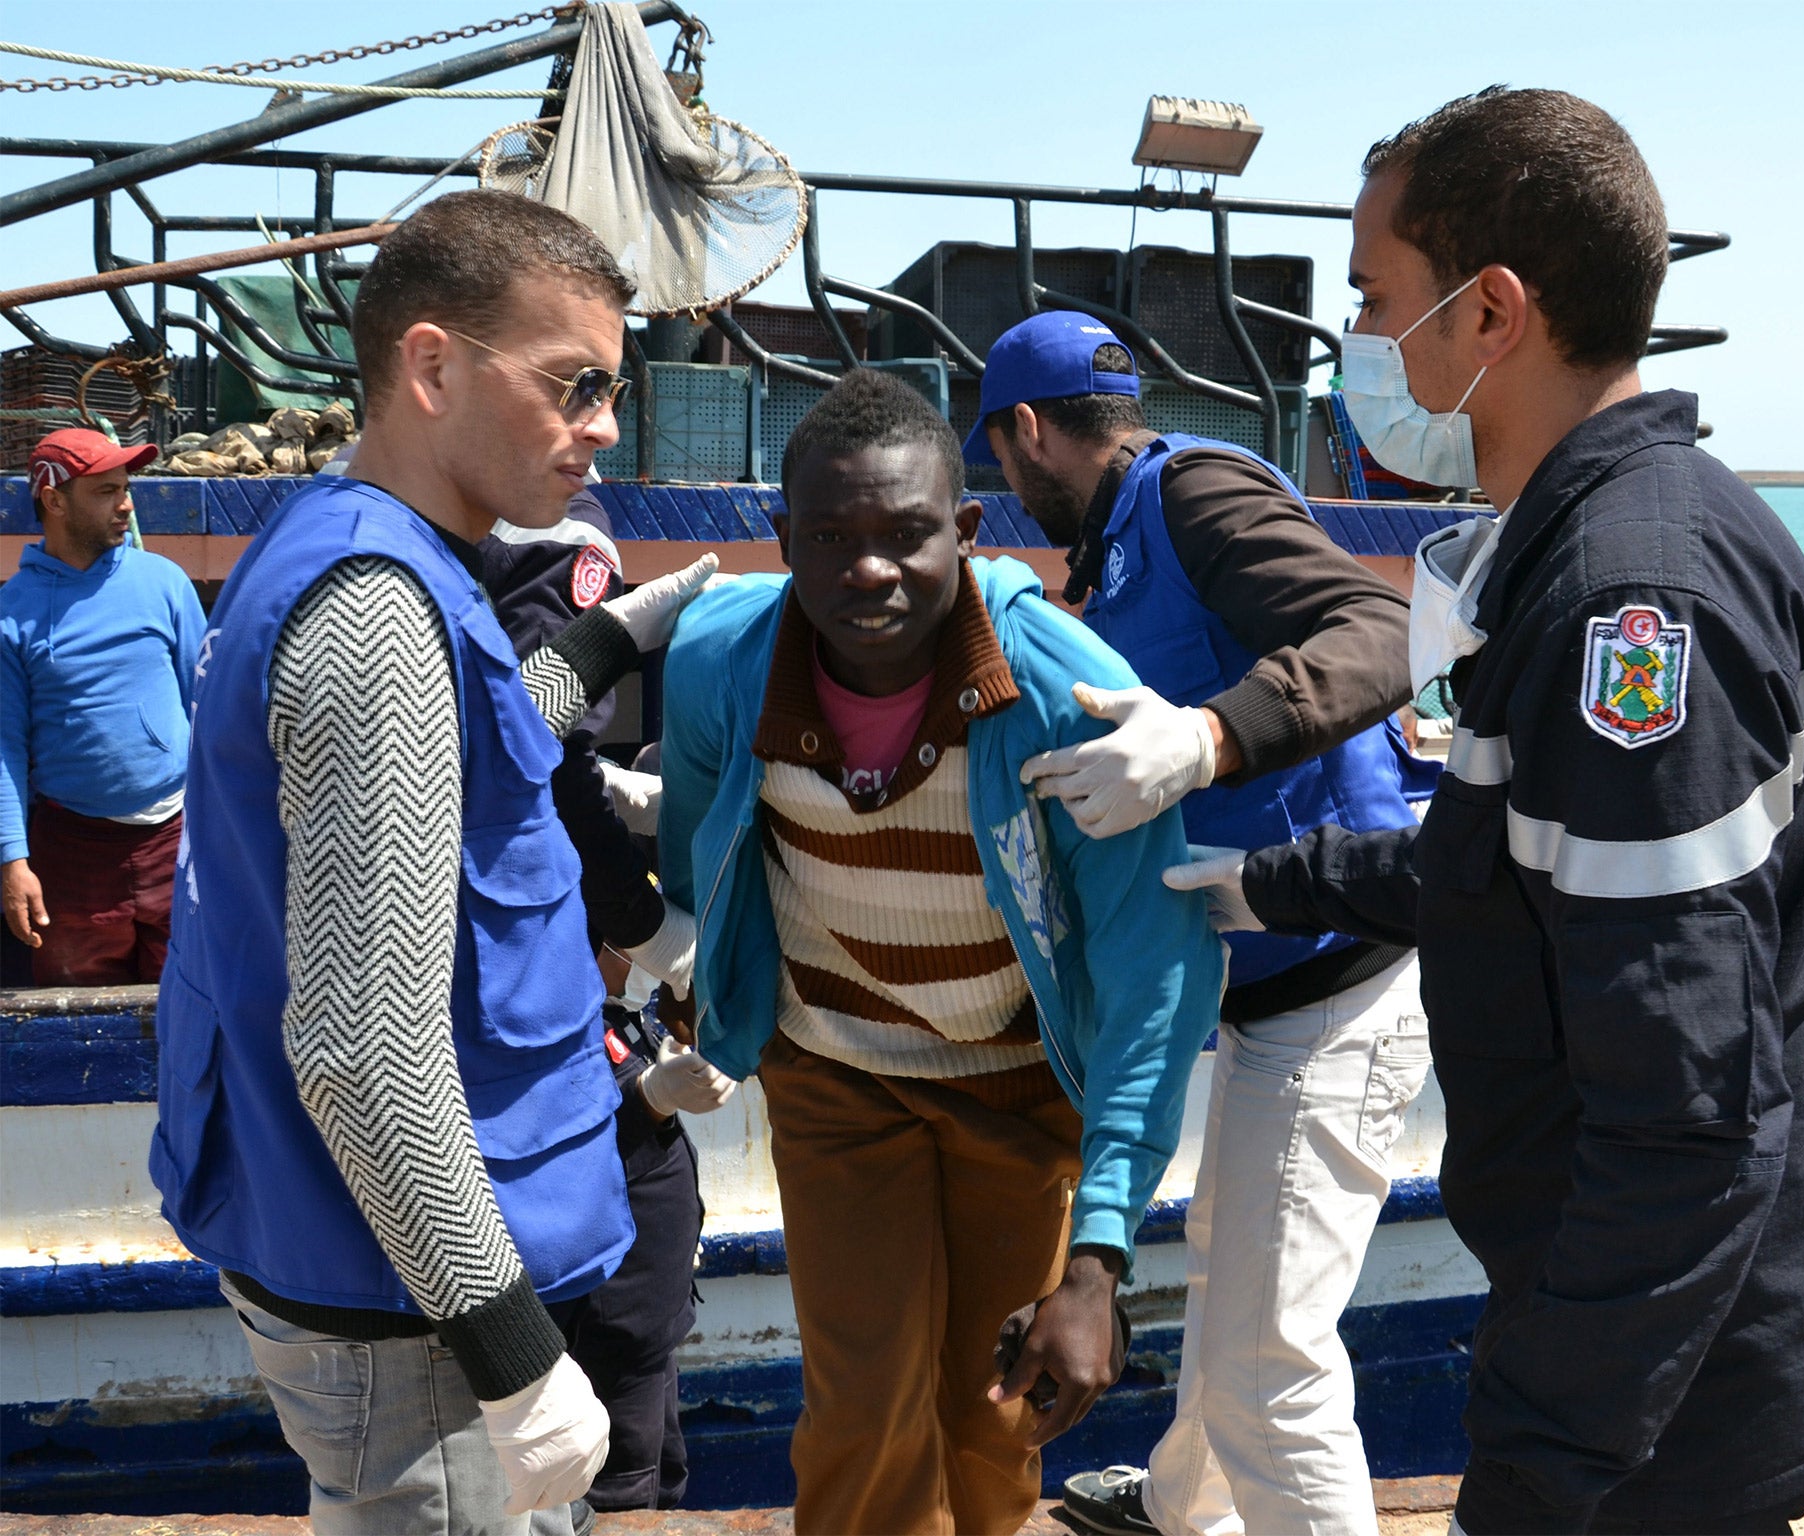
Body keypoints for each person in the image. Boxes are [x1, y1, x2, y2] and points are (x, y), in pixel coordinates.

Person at [1172, 88, 1804, 1534]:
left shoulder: (1632, 606)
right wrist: (1288, 880)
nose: (1363, 346)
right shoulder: (1669, 525)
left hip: (1665, 1405)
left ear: (1489, 313)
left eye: (1378, 302)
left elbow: (1688, 1122)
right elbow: (1536, 873)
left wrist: (1536, 1472)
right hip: (1661, 1355)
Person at [148, 189, 716, 1534]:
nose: (605, 427)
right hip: (420, 1332)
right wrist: (519, 1365)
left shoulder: (360, 550)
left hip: (380, 1273)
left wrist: (609, 641)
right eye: (574, 384)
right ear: (433, 365)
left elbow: (476, 732)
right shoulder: (381, 619)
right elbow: (361, 1052)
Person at [656, 368, 1223, 1536]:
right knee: (860, 1418)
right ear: (783, 539)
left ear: (965, 531)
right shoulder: (720, 662)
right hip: (834, 1078)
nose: (867, 570)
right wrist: (707, 1000)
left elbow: (1151, 979)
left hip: (1014, 1083)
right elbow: (697, 856)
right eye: (828, 537)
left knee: (993, 1412)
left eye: (907, 534)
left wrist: (1099, 1263)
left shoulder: (1068, 697)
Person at [958, 310, 1436, 1536]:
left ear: (1024, 433)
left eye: (1001, 465)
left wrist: (1209, 737)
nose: (1007, 492)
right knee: (1235, 1271)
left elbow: (1378, 633)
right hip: (1263, 989)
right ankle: (1183, 1511)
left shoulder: (1192, 496)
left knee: (1269, 1370)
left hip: (1333, 981)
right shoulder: (1116, 548)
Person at [476, 487, 720, 1512]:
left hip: (624, 1256)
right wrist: (648, 930)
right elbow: (540, 746)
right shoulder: (517, 904)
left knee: (639, 1450)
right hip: (571, 1260)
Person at [1, 428, 205, 984]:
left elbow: (207, 709)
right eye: (106, 490)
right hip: (73, 861)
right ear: (53, 499)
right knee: (77, 1034)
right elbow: (4, 750)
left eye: (126, 486)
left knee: (192, 1021)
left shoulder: (165, 583)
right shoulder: (11, 615)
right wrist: (13, 862)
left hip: (179, 844)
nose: (127, 503)